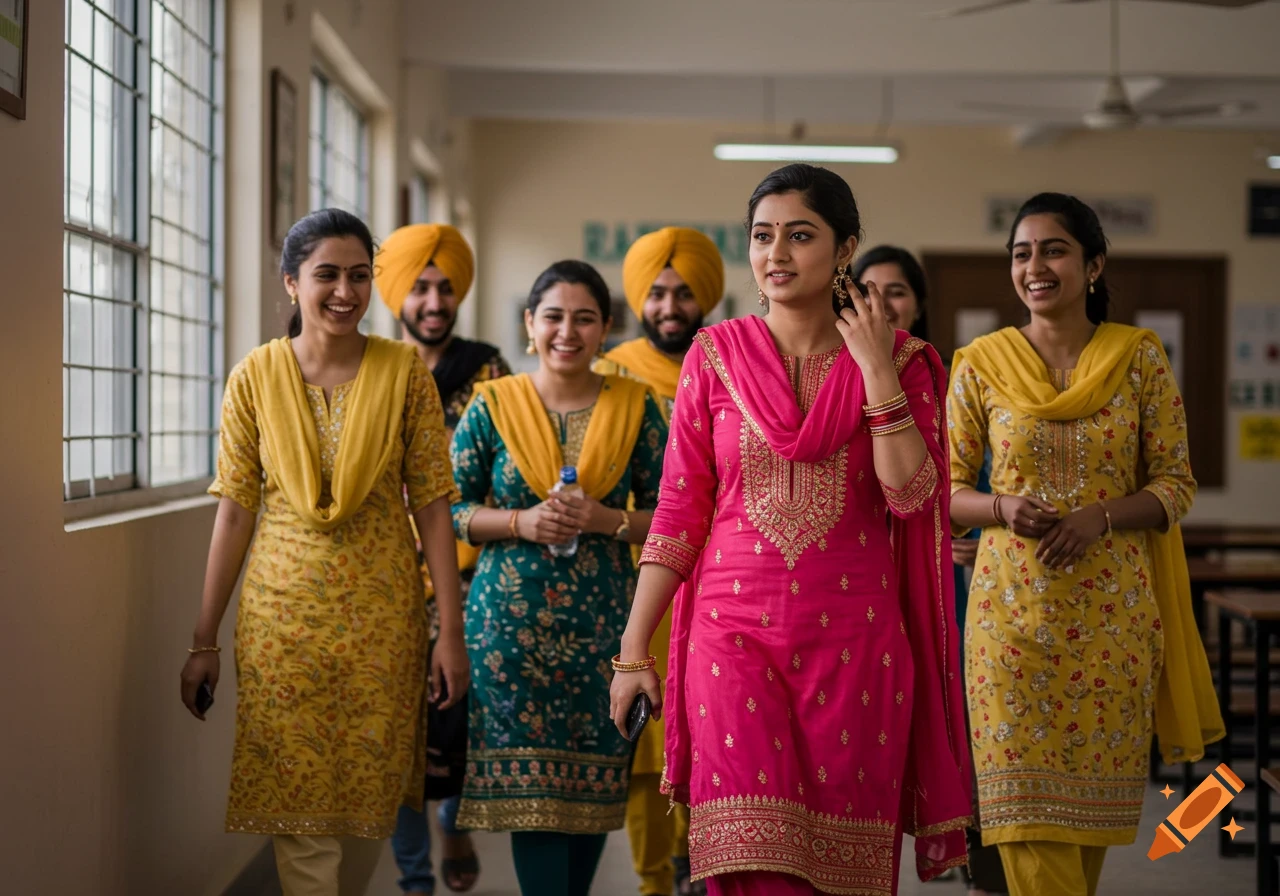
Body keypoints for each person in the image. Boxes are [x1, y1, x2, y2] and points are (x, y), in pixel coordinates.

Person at [609, 163, 973, 896]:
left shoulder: (904, 361)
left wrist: (873, 368)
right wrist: (631, 650)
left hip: (856, 648)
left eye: (799, 236)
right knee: (749, 863)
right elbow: (681, 513)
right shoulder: (713, 357)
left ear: (846, 249)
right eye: (762, 236)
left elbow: (913, 495)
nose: (776, 254)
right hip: (730, 639)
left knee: (840, 875)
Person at [179, 209, 469, 896]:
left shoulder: (403, 373)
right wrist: (204, 639)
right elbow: (234, 512)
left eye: (360, 275)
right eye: (327, 275)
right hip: (282, 621)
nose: (345, 291)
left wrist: (448, 635)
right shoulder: (254, 377)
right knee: (298, 802)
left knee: (369, 807)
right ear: (291, 282)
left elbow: (433, 506)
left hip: (384, 618)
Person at [946, 193, 1223, 896]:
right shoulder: (979, 363)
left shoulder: (1137, 359)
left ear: (1094, 264)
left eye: (1054, 250)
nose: (1034, 267)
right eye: (1021, 253)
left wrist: (1099, 516)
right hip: (1009, 625)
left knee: (1085, 830)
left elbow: (1175, 483)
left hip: (1113, 627)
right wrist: (1001, 506)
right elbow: (943, 494)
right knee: (1027, 830)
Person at [448, 260, 669, 896]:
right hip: (509, 636)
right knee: (535, 803)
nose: (566, 331)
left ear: (605, 330)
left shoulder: (639, 408)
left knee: (593, 792)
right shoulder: (495, 405)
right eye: (553, 316)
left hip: (606, 632)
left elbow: (671, 517)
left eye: (584, 318)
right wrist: (520, 521)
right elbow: (450, 509)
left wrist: (603, 518)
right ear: (529, 323)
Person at [852, 247, 1008, 896]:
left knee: (971, 723)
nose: (882, 305)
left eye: (896, 293)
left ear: (918, 304)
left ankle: (980, 860)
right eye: (868, 291)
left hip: (963, 582)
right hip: (871, 585)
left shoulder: (939, 374)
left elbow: (982, 477)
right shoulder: (841, 372)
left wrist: (966, 527)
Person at [375, 223, 511, 896]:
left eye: (446, 287)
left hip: (469, 572)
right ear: (398, 292)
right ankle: (413, 878)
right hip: (383, 576)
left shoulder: (488, 369)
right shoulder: (371, 367)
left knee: (465, 721)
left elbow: (510, 467)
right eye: (421, 287)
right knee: (398, 734)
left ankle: (455, 820)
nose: (434, 301)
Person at [594, 226, 725, 896]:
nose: (669, 305)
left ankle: (700, 867)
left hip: (725, 578)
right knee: (648, 745)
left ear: (704, 297)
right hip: (640, 576)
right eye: (657, 293)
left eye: (682, 293)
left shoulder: (730, 364)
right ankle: (652, 882)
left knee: (713, 732)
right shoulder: (614, 374)